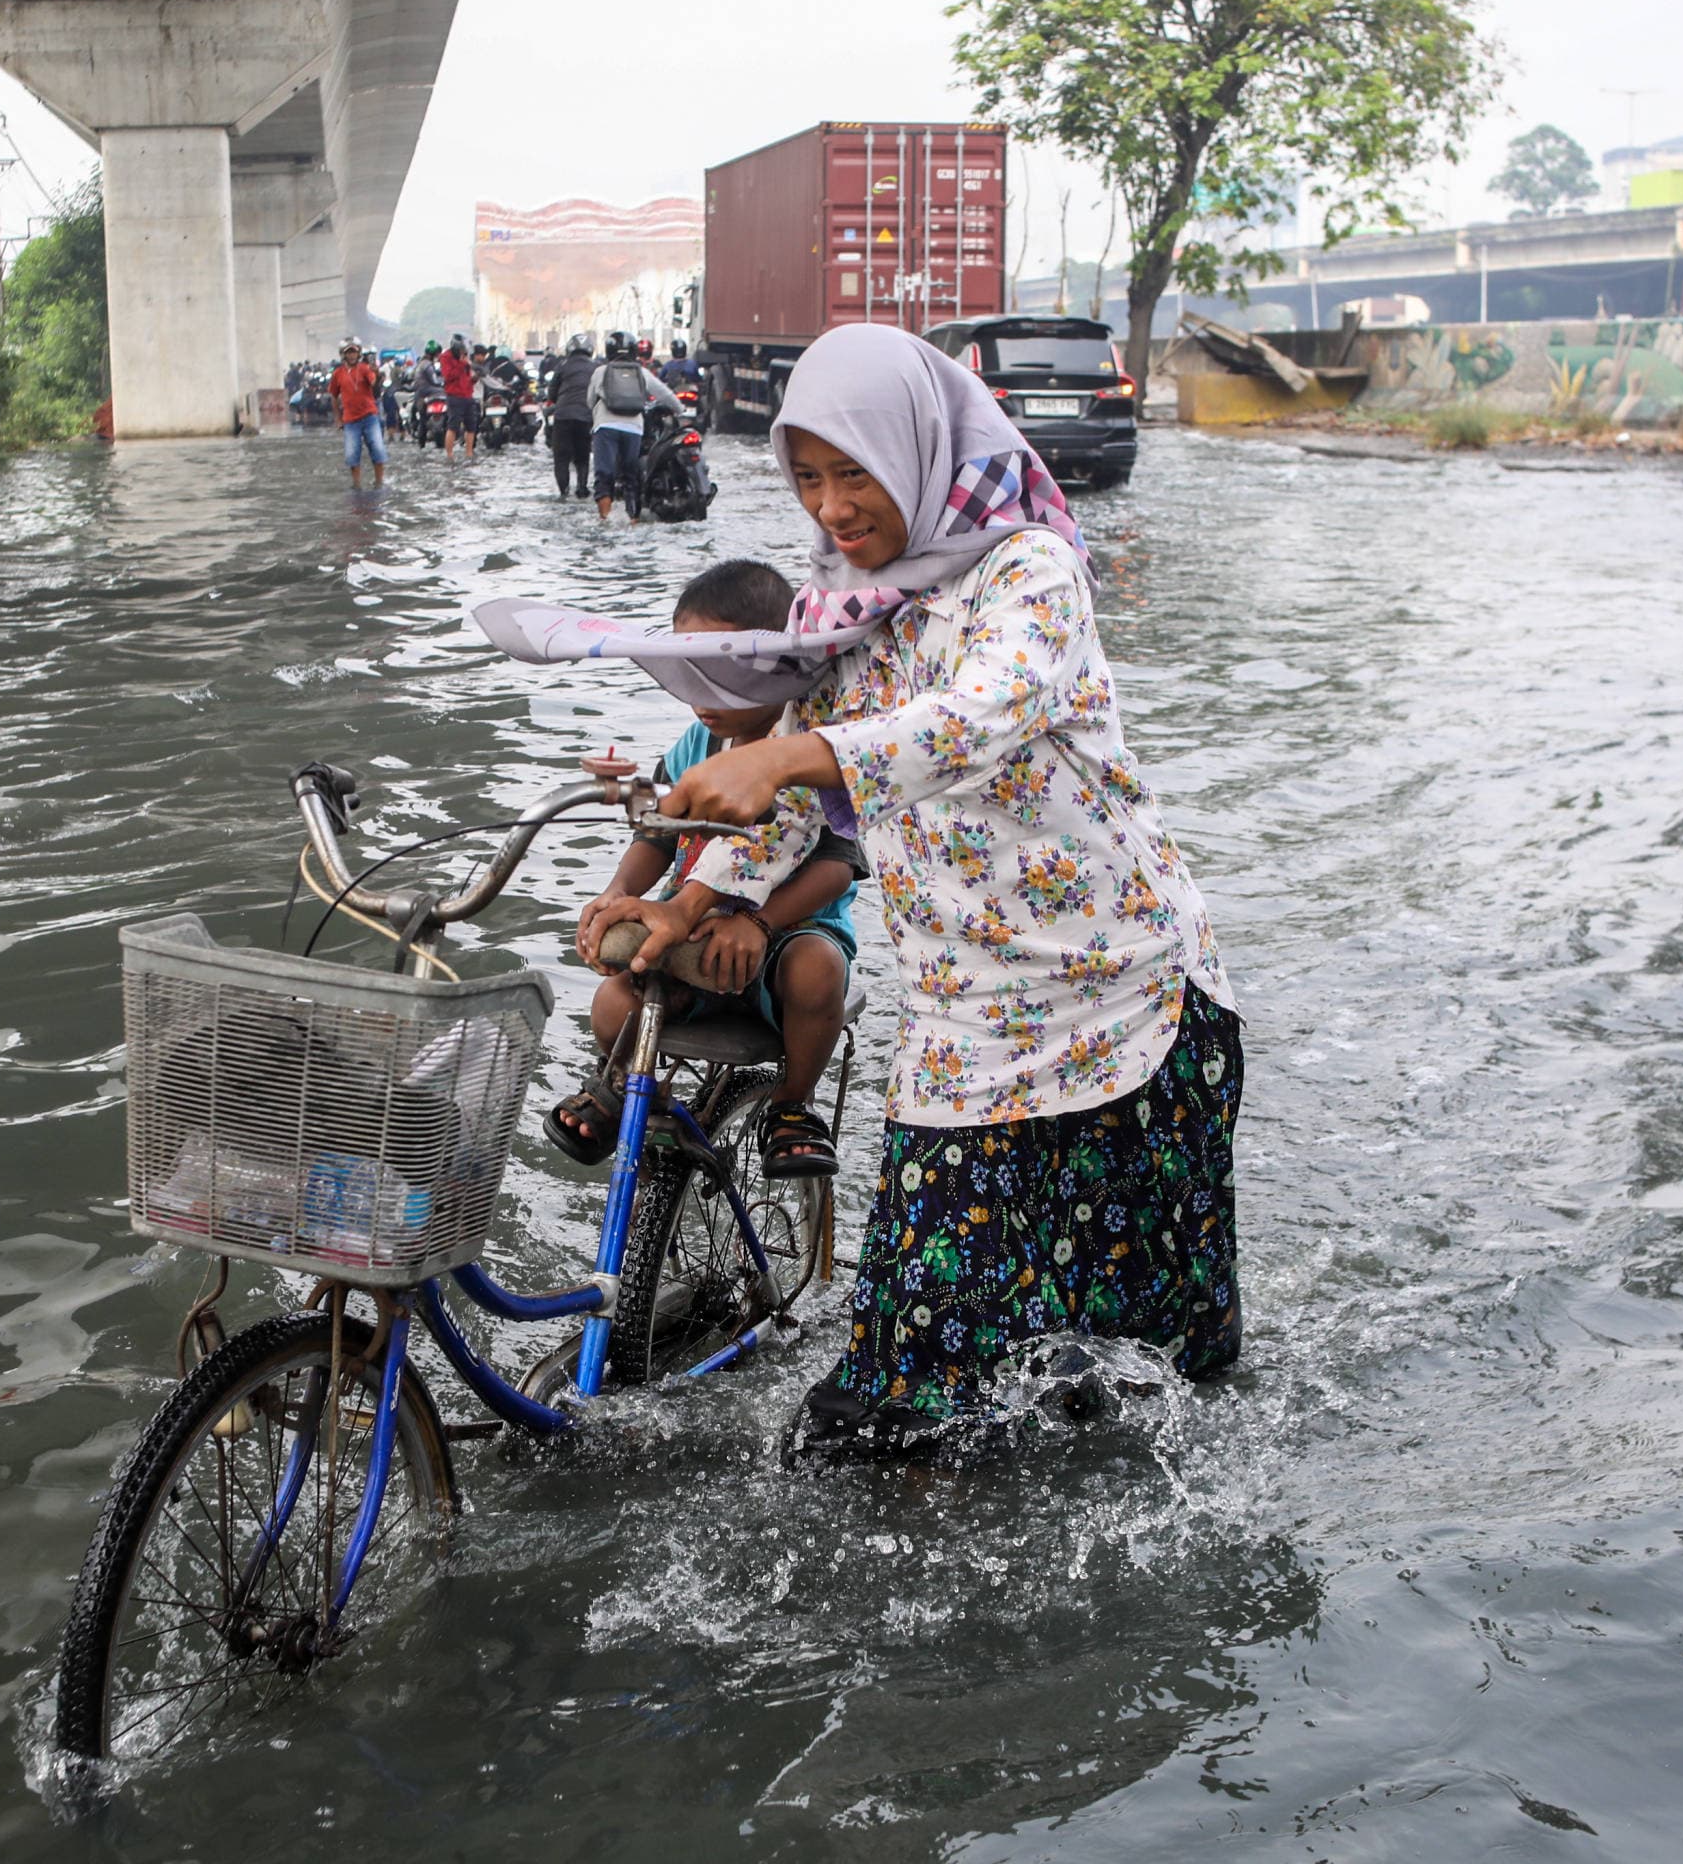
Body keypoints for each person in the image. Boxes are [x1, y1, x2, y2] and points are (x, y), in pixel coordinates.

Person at [482, 322, 1240, 1445]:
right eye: (807, 478)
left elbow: (976, 715)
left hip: (1122, 1004)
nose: (831, 506)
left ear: (920, 450)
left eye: (855, 473)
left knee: (1137, 1380)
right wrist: (682, 906)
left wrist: (789, 752)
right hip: (964, 1031)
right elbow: (784, 813)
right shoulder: (845, 614)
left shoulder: (1028, 571)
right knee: (894, 1404)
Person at [548, 559, 857, 1179]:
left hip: (784, 937)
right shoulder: (697, 745)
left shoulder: (815, 744)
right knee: (611, 1005)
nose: (702, 695)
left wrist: (762, 925)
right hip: (686, 936)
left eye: (720, 674)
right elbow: (658, 837)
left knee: (817, 972)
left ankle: (791, 1106)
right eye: (693, 673)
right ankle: (638, 1096)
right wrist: (615, 892)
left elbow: (839, 865)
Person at [588, 332, 675, 523]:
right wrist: (680, 409)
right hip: (634, 428)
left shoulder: (600, 372)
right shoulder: (641, 372)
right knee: (631, 475)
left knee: (605, 473)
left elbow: (590, 401)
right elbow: (664, 394)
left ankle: (605, 518)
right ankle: (632, 520)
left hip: (605, 426)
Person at [543, 334, 598, 500]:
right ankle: (582, 488)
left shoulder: (562, 366)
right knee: (582, 456)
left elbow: (552, 393)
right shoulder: (596, 367)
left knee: (561, 458)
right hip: (586, 417)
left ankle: (563, 492)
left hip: (563, 416)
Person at [330, 338, 386, 490]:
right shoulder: (337, 374)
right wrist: (338, 419)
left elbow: (374, 383)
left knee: (378, 449)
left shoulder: (365, 369)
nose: (352, 355)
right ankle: (356, 484)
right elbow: (334, 396)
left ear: (359, 353)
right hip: (350, 420)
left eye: (354, 351)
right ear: (343, 354)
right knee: (352, 455)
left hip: (369, 416)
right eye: (349, 352)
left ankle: (379, 482)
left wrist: (376, 374)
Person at [439, 336, 480, 464]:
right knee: (453, 426)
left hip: (467, 394)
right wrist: (462, 364)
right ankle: (449, 455)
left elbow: (467, 376)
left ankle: (469, 453)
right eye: (462, 350)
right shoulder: (446, 358)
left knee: (471, 426)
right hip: (454, 396)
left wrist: (473, 379)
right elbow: (448, 376)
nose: (464, 353)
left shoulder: (466, 358)